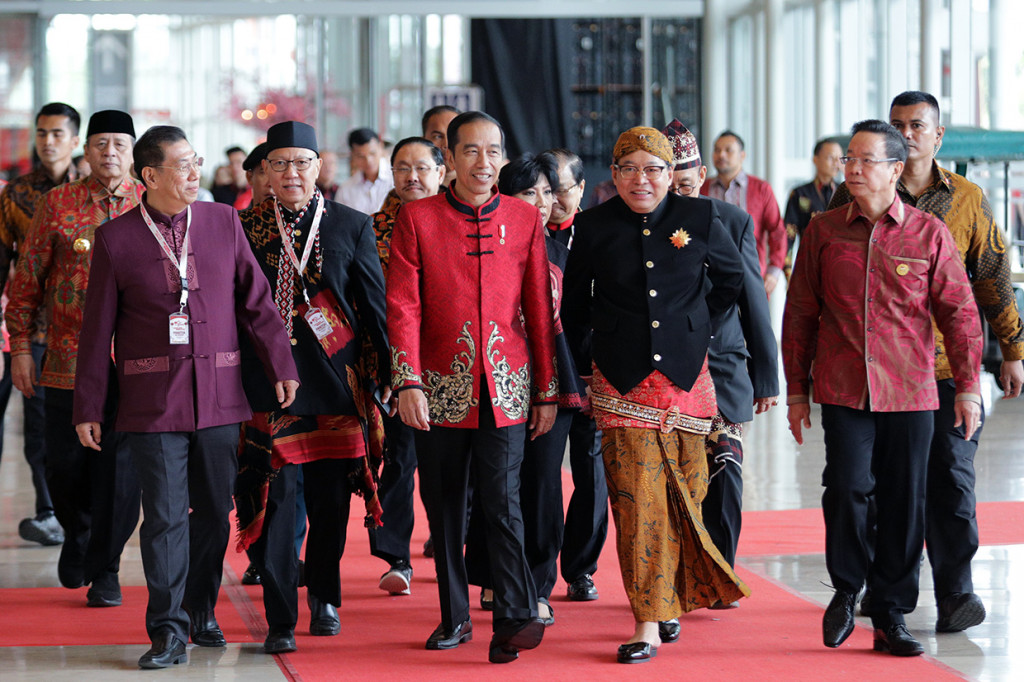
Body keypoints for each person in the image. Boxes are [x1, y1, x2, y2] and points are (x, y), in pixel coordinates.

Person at [71, 124, 299, 669]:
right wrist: (88, 406)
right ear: (149, 176)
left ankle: (200, 607)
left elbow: (256, 302)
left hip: (219, 395)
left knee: (215, 513)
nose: (195, 173)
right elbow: (96, 330)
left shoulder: (222, 221)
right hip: (152, 402)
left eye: (197, 161)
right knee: (166, 518)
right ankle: (167, 631)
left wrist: (280, 364)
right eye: (182, 165)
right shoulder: (116, 239)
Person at [827, 91, 1024, 633]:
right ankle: (883, 587)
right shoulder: (854, 195)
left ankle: (956, 591)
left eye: (918, 125)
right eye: (897, 125)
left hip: (945, 372)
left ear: (938, 136)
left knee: (952, 479)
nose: (906, 133)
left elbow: (991, 278)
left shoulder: (966, 200)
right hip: (875, 372)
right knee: (878, 483)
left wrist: (1013, 349)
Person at [784, 119, 982, 657]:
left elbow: (960, 313)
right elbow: (800, 312)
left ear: (896, 169)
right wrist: (796, 391)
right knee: (846, 487)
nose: (852, 168)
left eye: (865, 160)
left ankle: (892, 612)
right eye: (849, 158)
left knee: (904, 501)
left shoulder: (927, 233)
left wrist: (967, 387)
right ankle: (847, 588)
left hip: (912, 390)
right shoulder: (824, 231)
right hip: (844, 388)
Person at [562, 126, 749, 664]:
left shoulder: (701, 218)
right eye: (628, 169)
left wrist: (694, 327)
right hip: (621, 386)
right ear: (613, 175)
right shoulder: (593, 226)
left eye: (653, 169)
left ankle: (669, 600)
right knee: (637, 501)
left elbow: (730, 284)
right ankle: (646, 618)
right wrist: (592, 358)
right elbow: (574, 307)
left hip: (688, 386)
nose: (640, 179)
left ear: (671, 174)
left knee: (681, 497)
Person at [387, 111, 557, 664]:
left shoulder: (525, 219)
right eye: (471, 153)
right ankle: (454, 614)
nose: (484, 164)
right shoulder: (417, 219)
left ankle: (513, 615)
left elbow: (538, 309)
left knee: (503, 502)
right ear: (451, 159)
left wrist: (547, 388)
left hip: (507, 384)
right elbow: (403, 307)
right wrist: (406, 379)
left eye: (493, 152)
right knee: (444, 506)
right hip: (437, 385)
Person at [235, 121, 390, 654]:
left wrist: (389, 377)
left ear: (319, 167)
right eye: (279, 164)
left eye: (301, 162)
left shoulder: (350, 225)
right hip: (267, 386)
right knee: (277, 502)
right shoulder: (244, 227)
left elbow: (373, 308)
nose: (291, 173)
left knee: (329, 503)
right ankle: (280, 614)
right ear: (265, 172)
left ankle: (323, 594)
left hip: (337, 386)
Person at [6, 109, 144, 608]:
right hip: (65, 362)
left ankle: (106, 566)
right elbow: (26, 286)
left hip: (136, 368)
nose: (110, 153)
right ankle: (76, 533)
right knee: (64, 466)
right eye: (101, 143)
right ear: (86, 149)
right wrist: (21, 348)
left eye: (120, 145)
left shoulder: (153, 203)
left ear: (134, 153)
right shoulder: (57, 204)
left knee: (122, 473)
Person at [466, 151, 588, 626]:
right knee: (495, 486)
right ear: (505, 195)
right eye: (528, 192)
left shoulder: (564, 250)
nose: (540, 202)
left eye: (547, 192)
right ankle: (496, 576)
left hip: (552, 385)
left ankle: (536, 585)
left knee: (541, 486)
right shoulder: (487, 244)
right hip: (493, 379)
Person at [661, 120, 779, 589]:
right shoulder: (640, 224)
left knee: (725, 466)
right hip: (668, 371)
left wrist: (767, 378)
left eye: (687, 185)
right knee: (677, 474)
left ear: (703, 176)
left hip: (724, 364)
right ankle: (678, 567)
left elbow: (753, 296)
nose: (679, 196)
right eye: (670, 185)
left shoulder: (731, 220)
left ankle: (720, 570)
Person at [0, 102, 81, 547]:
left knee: (86, 424)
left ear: (74, 140)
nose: (48, 141)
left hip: (86, 331)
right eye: (42, 133)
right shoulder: (16, 194)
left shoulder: (95, 190)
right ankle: (48, 510)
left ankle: (83, 512)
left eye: (57, 134)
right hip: (34, 331)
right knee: (38, 427)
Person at [369, 136, 446, 596]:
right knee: (400, 460)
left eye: (421, 168)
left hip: (454, 362)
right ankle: (396, 556)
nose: (411, 177)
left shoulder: (461, 223)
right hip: (396, 366)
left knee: (458, 468)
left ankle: (455, 547)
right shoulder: (372, 228)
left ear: (442, 172)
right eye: (402, 168)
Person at [543, 146, 608, 603]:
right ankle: (538, 570)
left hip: (592, 372)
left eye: (560, 190)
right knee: (542, 477)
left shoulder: (601, 235)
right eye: (543, 191)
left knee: (592, 476)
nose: (551, 199)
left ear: (581, 189)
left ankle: (581, 568)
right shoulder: (525, 233)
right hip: (544, 377)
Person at [700, 130, 787, 296]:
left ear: (742, 155)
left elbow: (777, 231)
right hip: (709, 278)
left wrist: (774, 271)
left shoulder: (760, 189)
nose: (721, 155)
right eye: (717, 150)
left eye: (728, 150)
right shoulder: (701, 188)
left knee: (754, 322)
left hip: (751, 275)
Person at [783, 138, 842, 273]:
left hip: (839, 264)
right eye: (830, 158)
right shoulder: (800, 193)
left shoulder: (846, 192)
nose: (836, 163)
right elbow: (789, 234)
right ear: (815, 159)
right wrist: (788, 270)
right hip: (809, 262)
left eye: (839, 158)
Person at [336, 128, 393, 214]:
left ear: (380, 147)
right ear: (352, 155)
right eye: (361, 156)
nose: (368, 161)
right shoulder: (346, 189)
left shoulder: (396, 178)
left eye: (372, 153)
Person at [421, 105, 460, 187]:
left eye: (452, 136)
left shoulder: (484, 188)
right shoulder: (411, 187)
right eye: (438, 137)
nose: (446, 144)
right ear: (423, 140)